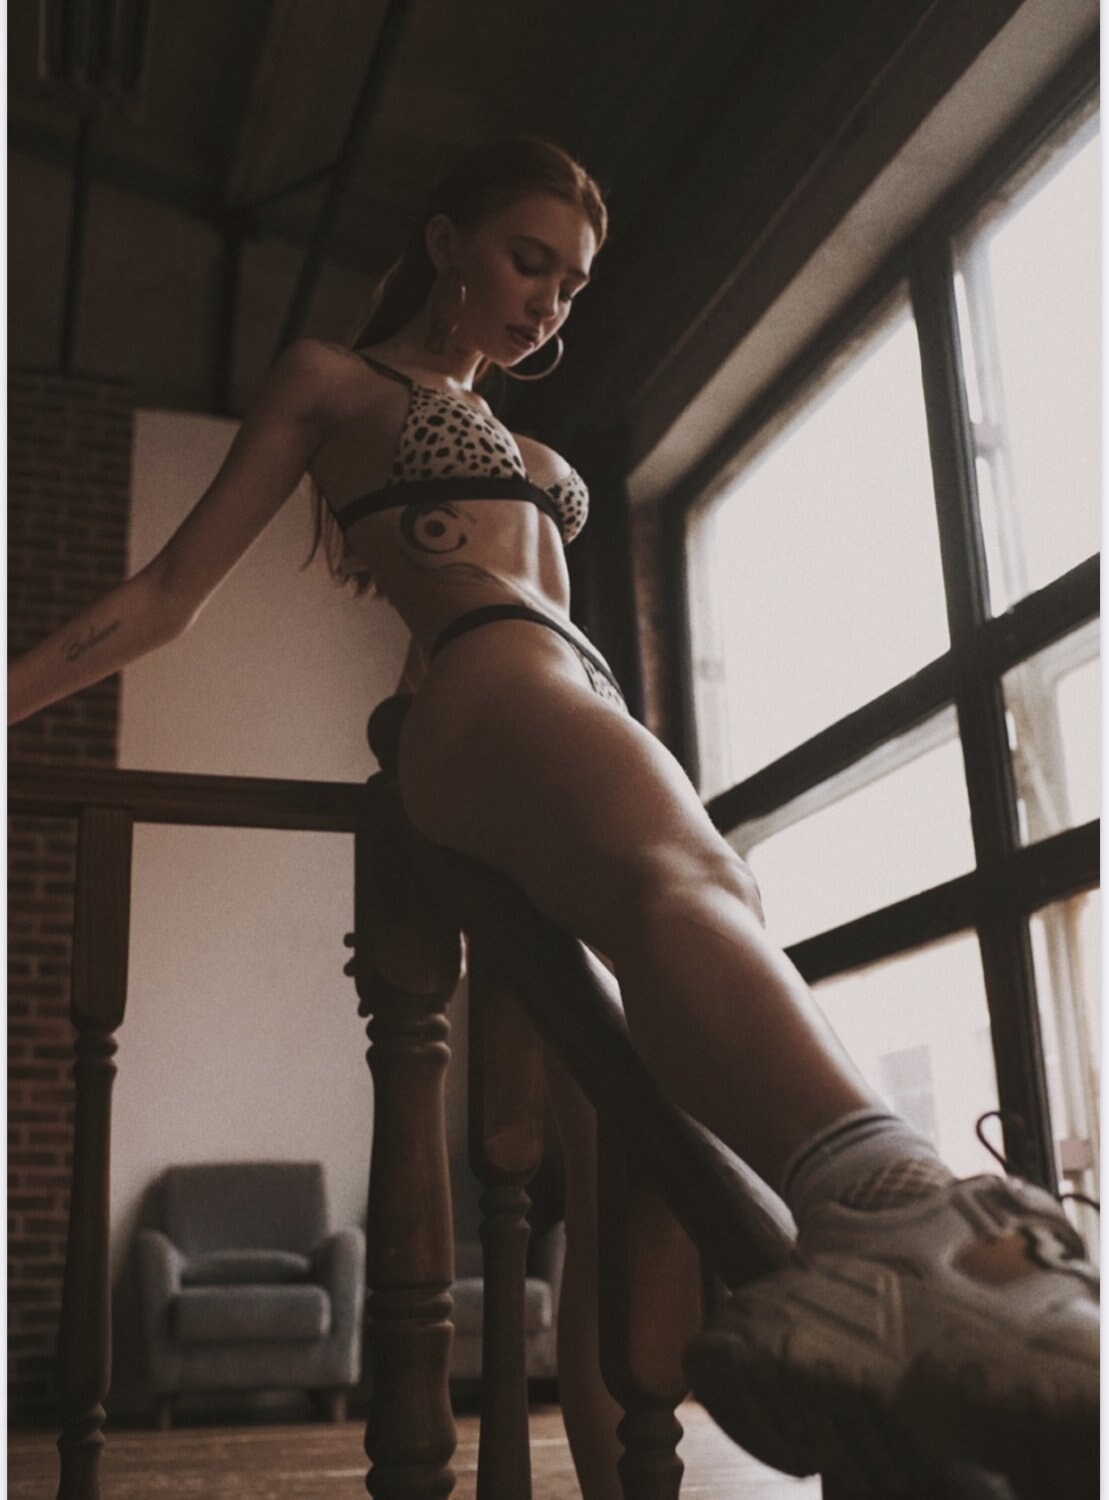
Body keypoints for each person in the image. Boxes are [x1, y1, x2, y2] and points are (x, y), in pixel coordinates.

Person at [8, 137, 1096, 1498]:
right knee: (698, 885)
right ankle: (907, 1220)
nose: (548, 301)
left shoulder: (526, 440)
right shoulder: (331, 379)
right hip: (490, 687)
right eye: (529, 260)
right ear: (445, 240)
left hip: (564, 707)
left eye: (572, 285)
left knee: (626, 1148)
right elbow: (166, 597)